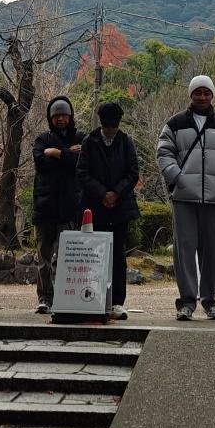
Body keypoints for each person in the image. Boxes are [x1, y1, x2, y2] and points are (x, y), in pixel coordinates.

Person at [157, 74, 215, 322]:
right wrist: (177, 177)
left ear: (212, 95)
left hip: (214, 198)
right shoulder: (175, 123)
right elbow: (163, 151)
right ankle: (186, 302)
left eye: (207, 93)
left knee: (212, 251)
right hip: (184, 196)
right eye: (198, 92)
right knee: (184, 250)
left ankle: (211, 301)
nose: (202, 97)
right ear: (190, 94)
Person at [77, 101, 140, 320]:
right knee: (94, 256)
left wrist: (116, 193)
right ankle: (92, 299)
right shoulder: (89, 141)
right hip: (95, 207)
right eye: (107, 126)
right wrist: (102, 193)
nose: (110, 130)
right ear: (101, 123)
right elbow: (82, 172)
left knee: (118, 257)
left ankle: (117, 302)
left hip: (120, 207)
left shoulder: (126, 142)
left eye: (113, 126)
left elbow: (133, 173)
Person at [31, 94, 82, 314]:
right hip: (45, 205)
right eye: (56, 116)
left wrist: (57, 154)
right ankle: (44, 297)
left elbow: (81, 163)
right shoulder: (42, 139)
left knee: (64, 255)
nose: (60, 119)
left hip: (69, 206)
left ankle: (63, 296)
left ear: (70, 116)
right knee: (43, 255)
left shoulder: (81, 137)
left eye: (64, 115)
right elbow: (40, 163)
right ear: (50, 118)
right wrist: (67, 156)